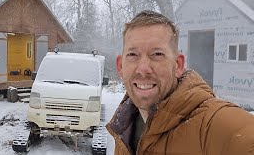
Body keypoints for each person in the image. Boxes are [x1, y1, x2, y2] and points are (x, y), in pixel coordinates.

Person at [106, 10, 254, 155]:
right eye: (133, 54)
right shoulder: (124, 126)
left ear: (178, 65)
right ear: (120, 66)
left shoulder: (215, 125)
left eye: (157, 54)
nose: (143, 69)